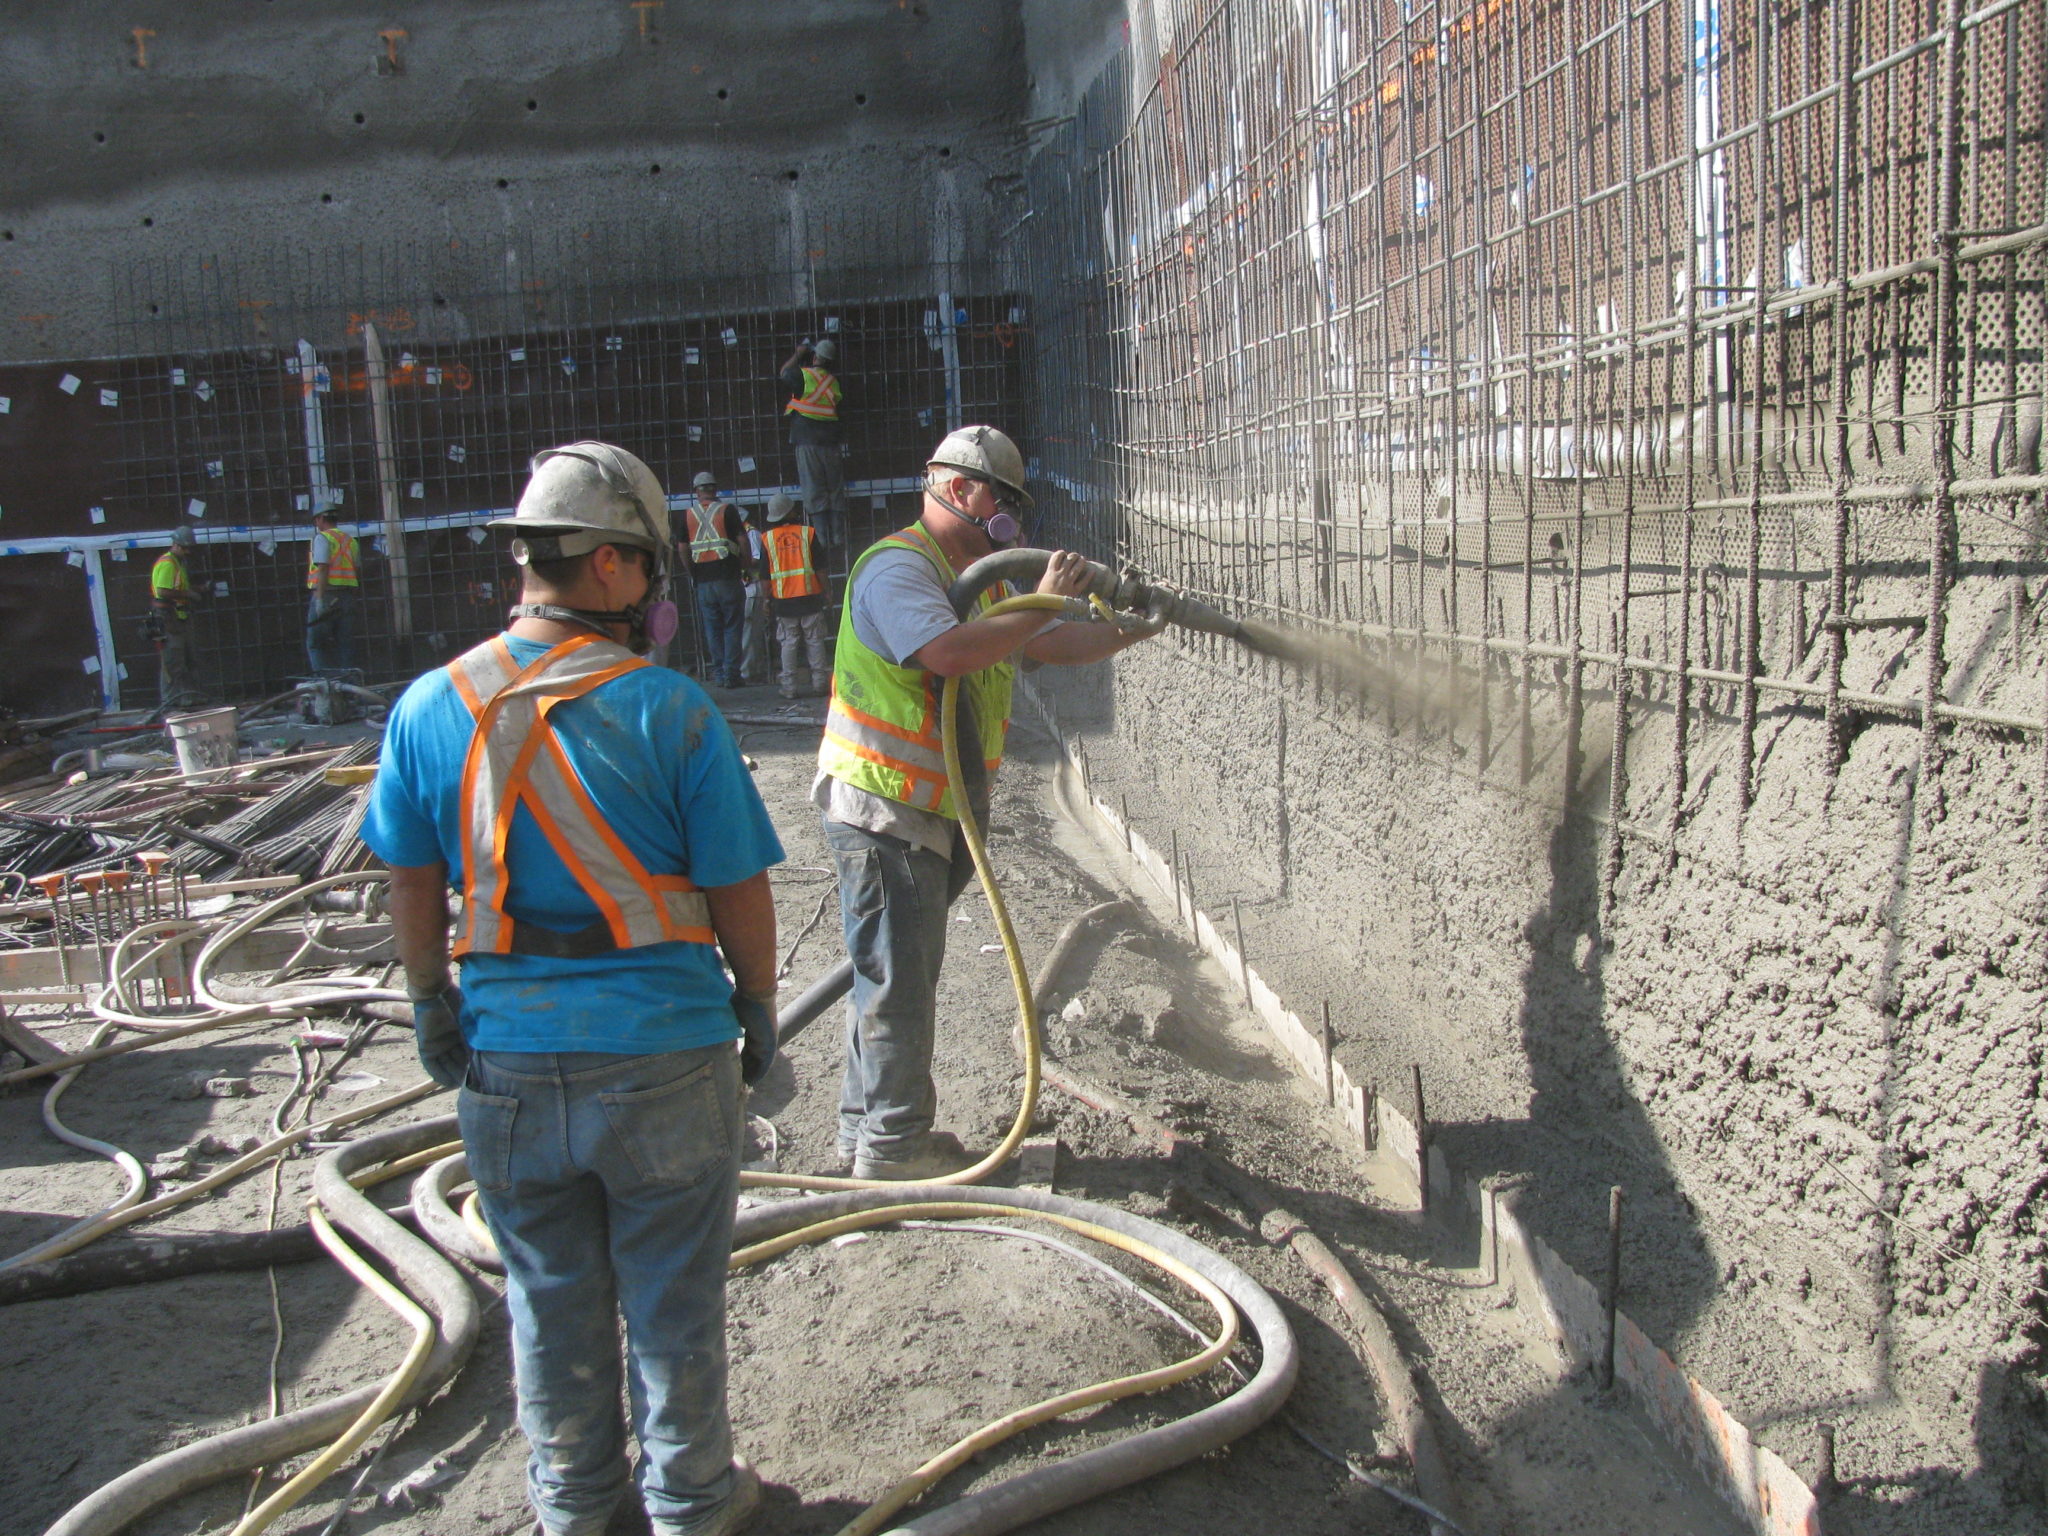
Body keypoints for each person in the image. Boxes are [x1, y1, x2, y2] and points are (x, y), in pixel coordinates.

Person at [362, 441, 782, 1536]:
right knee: (673, 1299)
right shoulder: (674, 711)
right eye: (643, 566)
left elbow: (411, 881)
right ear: (603, 565)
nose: (650, 590)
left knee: (547, 1304)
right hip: (665, 1057)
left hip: (505, 1066)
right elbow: (738, 892)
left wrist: (427, 1006)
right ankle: (691, 1503)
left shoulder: (423, 708)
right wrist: (758, 1010)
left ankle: (577, 1510)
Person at [815, 426, 1167, 1179]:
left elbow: (1042, 643)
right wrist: (1046, 602)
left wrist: (1124, 632)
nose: (1009, 515)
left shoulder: (985, 578)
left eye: (1015, 504)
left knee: (891, 979)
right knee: (899, 987)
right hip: (885, 808)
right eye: (1001, 498)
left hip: (927, 812)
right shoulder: (899, 569)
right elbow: (949, 651)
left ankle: (865, 1134)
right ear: (958, 488)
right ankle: (893, 1145)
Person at [777, 337, 847, 553]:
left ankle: (822, 539)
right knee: (834, 488)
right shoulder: (833, 382)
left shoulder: (803, 375)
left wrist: (798, 353)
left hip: (807, 442)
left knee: (813, 488)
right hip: (831, 444)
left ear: (815, 356)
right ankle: (837, 535)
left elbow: (783, 373)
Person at [681, 471, 750, 689]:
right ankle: (731, 674)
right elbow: (742, 540)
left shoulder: (687, 515)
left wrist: (692, 572)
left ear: (696, 491)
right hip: (728, 577)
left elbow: (682, 548)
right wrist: (745, 565)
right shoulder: (726, 510)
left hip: (703, 580)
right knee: (732, 626)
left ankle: (719, 673)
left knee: (713, 628)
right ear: (715, 489)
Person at [761, 494, 829, 700]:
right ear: (791, 511)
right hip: (810, 597)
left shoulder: (768, 539)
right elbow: (821, 569)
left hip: (783, 600)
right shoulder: (807, 534)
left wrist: (766, 600)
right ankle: (819, 684)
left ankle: (789, 687)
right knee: (814, 640)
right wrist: (827, 591)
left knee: (788, 642)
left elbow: (764, 577)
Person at [150, 525, 201, 709]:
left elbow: (178, 588)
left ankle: (187, 698)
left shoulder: (178, 563)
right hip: (167, 618)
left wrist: (198, 590)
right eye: (185, 547)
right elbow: (162, 591)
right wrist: (188, 595)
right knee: (172, 663)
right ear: (176, 545)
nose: (188, 551)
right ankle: (170, 704)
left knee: (186, 659)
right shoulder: (168, 563)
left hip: (177, 618)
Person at [305, 509, 361, 674]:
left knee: (316, 643)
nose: (316, 524)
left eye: (317, 520)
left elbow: (322, 568)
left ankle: (325, 686)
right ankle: (349, 687)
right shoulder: (351, 541)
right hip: (347, 596)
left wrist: (320, 599)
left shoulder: (322, 538)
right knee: (345, 643)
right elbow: (355, 569)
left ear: (321, 519)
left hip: (326, 594)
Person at [739, 502, 773, 685]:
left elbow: (756, 561)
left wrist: (736, 560)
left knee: (751, 635)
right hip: (747, 590)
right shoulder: (746, 533)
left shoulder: (751, 534)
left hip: (752, 589)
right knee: (748, 634)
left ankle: (748, 672)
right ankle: (750, 670)